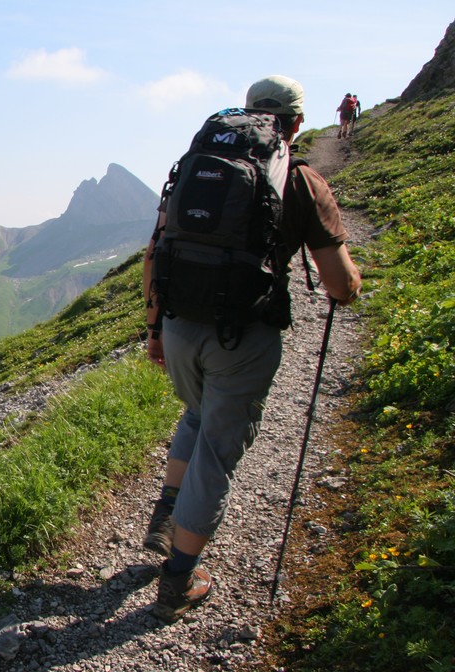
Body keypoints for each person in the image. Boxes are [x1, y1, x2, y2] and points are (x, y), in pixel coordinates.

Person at [141, 75, 362, 623]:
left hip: (177, 323)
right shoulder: (302, 181)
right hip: (241, 334)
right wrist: (353, 286)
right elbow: (338, 284)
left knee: (196, 412)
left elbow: (156, 251)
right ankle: (178, 579)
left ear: (246, 112)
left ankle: (165, 515)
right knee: (218, 449)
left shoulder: (199, 165)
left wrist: (154, 330)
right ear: (297, 123)